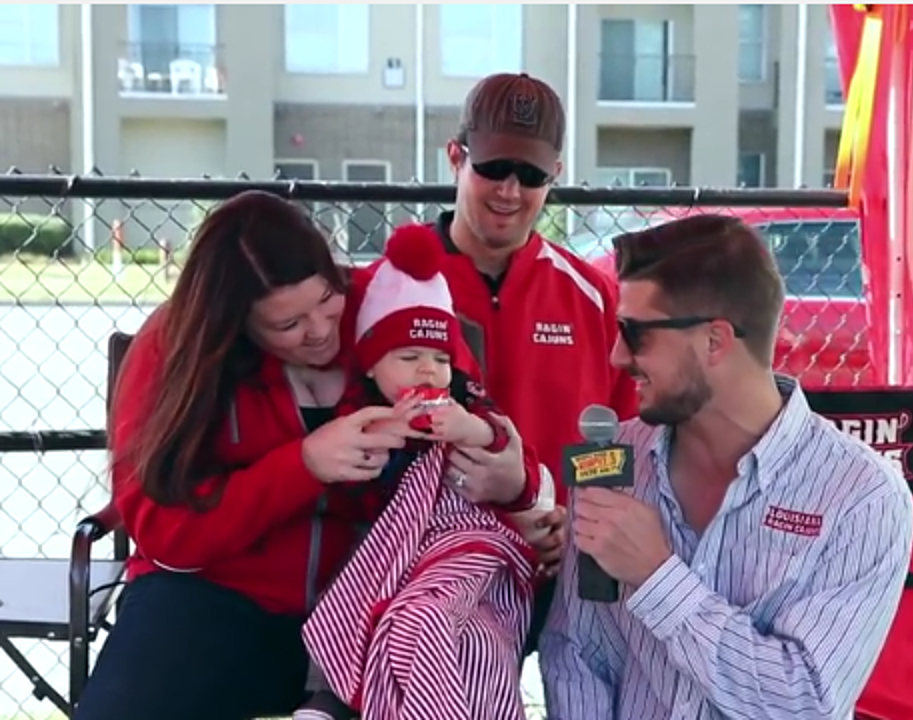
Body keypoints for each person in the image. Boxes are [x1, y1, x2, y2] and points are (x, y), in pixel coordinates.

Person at [74, 191, 542, 720]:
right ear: (234, 324)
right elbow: (162, 528)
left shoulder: (386, 304)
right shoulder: (177, 347)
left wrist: (508, 474)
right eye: (287, 325)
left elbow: (475, 412)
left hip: (378, 601)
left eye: (326, 300)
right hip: (217, 595)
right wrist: (303, 465)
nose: (320, 330)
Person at [540, 215, 913, 719]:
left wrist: (657, 577)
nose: (615, 356)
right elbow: (576, 651)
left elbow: (803, 703)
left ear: (715, 341)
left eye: (634, 332)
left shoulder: (861, 497)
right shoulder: (610, 463)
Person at [296, 224, 553, 720]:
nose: (428, 372)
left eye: (440, 359)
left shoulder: (465, 405)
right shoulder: (359, 412)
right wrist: (377, 442)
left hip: (456, 546)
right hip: (382, 546)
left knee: (445, 619)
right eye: (410, 358)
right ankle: (327, 698)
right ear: (371, 367)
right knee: (343, 599)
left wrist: (469, 431)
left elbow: (507, 443)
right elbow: (343, 492)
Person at [428, 71, 638, 648]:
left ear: (556, 177)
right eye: (493, 168)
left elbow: (615, 438)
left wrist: (571, 518)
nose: (509, 191)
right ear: (455, 156)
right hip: (436, 567)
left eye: (531, 175)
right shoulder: (400, 284)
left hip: (560, 567)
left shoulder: (592, 298)